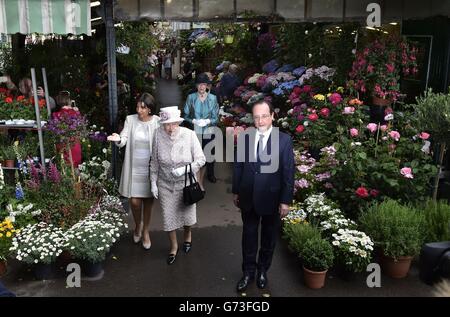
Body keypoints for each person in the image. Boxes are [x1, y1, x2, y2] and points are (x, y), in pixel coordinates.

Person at [232, 100, 295, 292]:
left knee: (269, 238)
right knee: (248, 237)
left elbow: (288, 172)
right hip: (248, 196)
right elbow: (238, 166)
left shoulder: (284, 140)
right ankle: (248, 272)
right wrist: (236, 190)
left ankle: (262, 270)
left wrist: (285, 200)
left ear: (273, 116)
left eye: (264, 116)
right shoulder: (245, 137)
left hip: (272, 198)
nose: (260, 121)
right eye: (256, 117)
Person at [150, 106, 205, 265]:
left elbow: (201, 159)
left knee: (187, 216)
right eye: (166, 124)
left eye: (173, 124)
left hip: (186, 183)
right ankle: (173, 246)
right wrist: (153, 182)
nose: (170, 128)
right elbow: (154, 161)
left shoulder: (189, 135)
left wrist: (184, 170)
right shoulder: (157, 135)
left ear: (178, 122)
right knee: (168, 216)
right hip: (165, 183)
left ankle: (187, 235)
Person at [107, 93, 160, 250]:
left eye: (142, 107)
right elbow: (124, 138)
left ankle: (145, 231)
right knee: (135, 202)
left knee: (148, 202)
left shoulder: (158, 121)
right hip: (134, 167)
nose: (138, 110)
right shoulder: (130, 119)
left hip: (150, 169)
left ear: (150, 109)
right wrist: (118, 139)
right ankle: (138, 225)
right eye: (137, 106)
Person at [183, 73, 219, 188]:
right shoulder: (191, 97)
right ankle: (196, 180)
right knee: (196, 157)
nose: (202, 87)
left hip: (209, 131)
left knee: (209, 155)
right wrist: (193, 121)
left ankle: (206, 177)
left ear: (207, 86)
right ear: (196, 85)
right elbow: (185, 115)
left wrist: (208, 121)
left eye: (204, 84)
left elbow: (216, 118)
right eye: (199, 84)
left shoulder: (213, 98)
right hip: (195, 132)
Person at [52, 91, 83, 168]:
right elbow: (81, 125)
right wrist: (76, 110)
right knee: (75, 166)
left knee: (64, 165)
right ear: (69, 100)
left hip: (62, 142)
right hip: (74, 142)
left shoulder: (55, 115)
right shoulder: (75, 112)